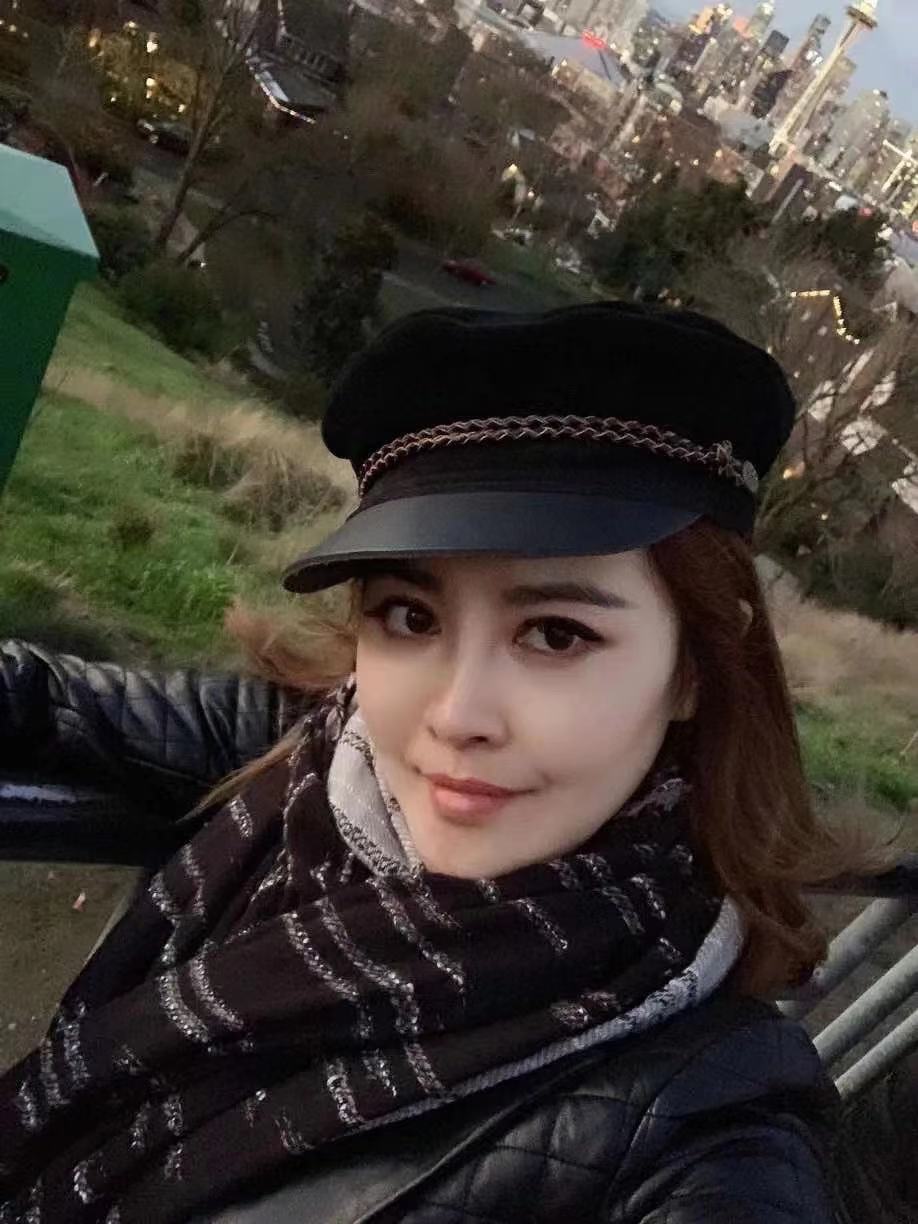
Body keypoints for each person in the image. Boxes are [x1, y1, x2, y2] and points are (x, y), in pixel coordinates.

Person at [0, 303, 878, 1223]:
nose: (456, 717)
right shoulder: (321, 758)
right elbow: (59, 700)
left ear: (696, 663)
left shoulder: (709, 1130)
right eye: (410, 617)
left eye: (556, 633)